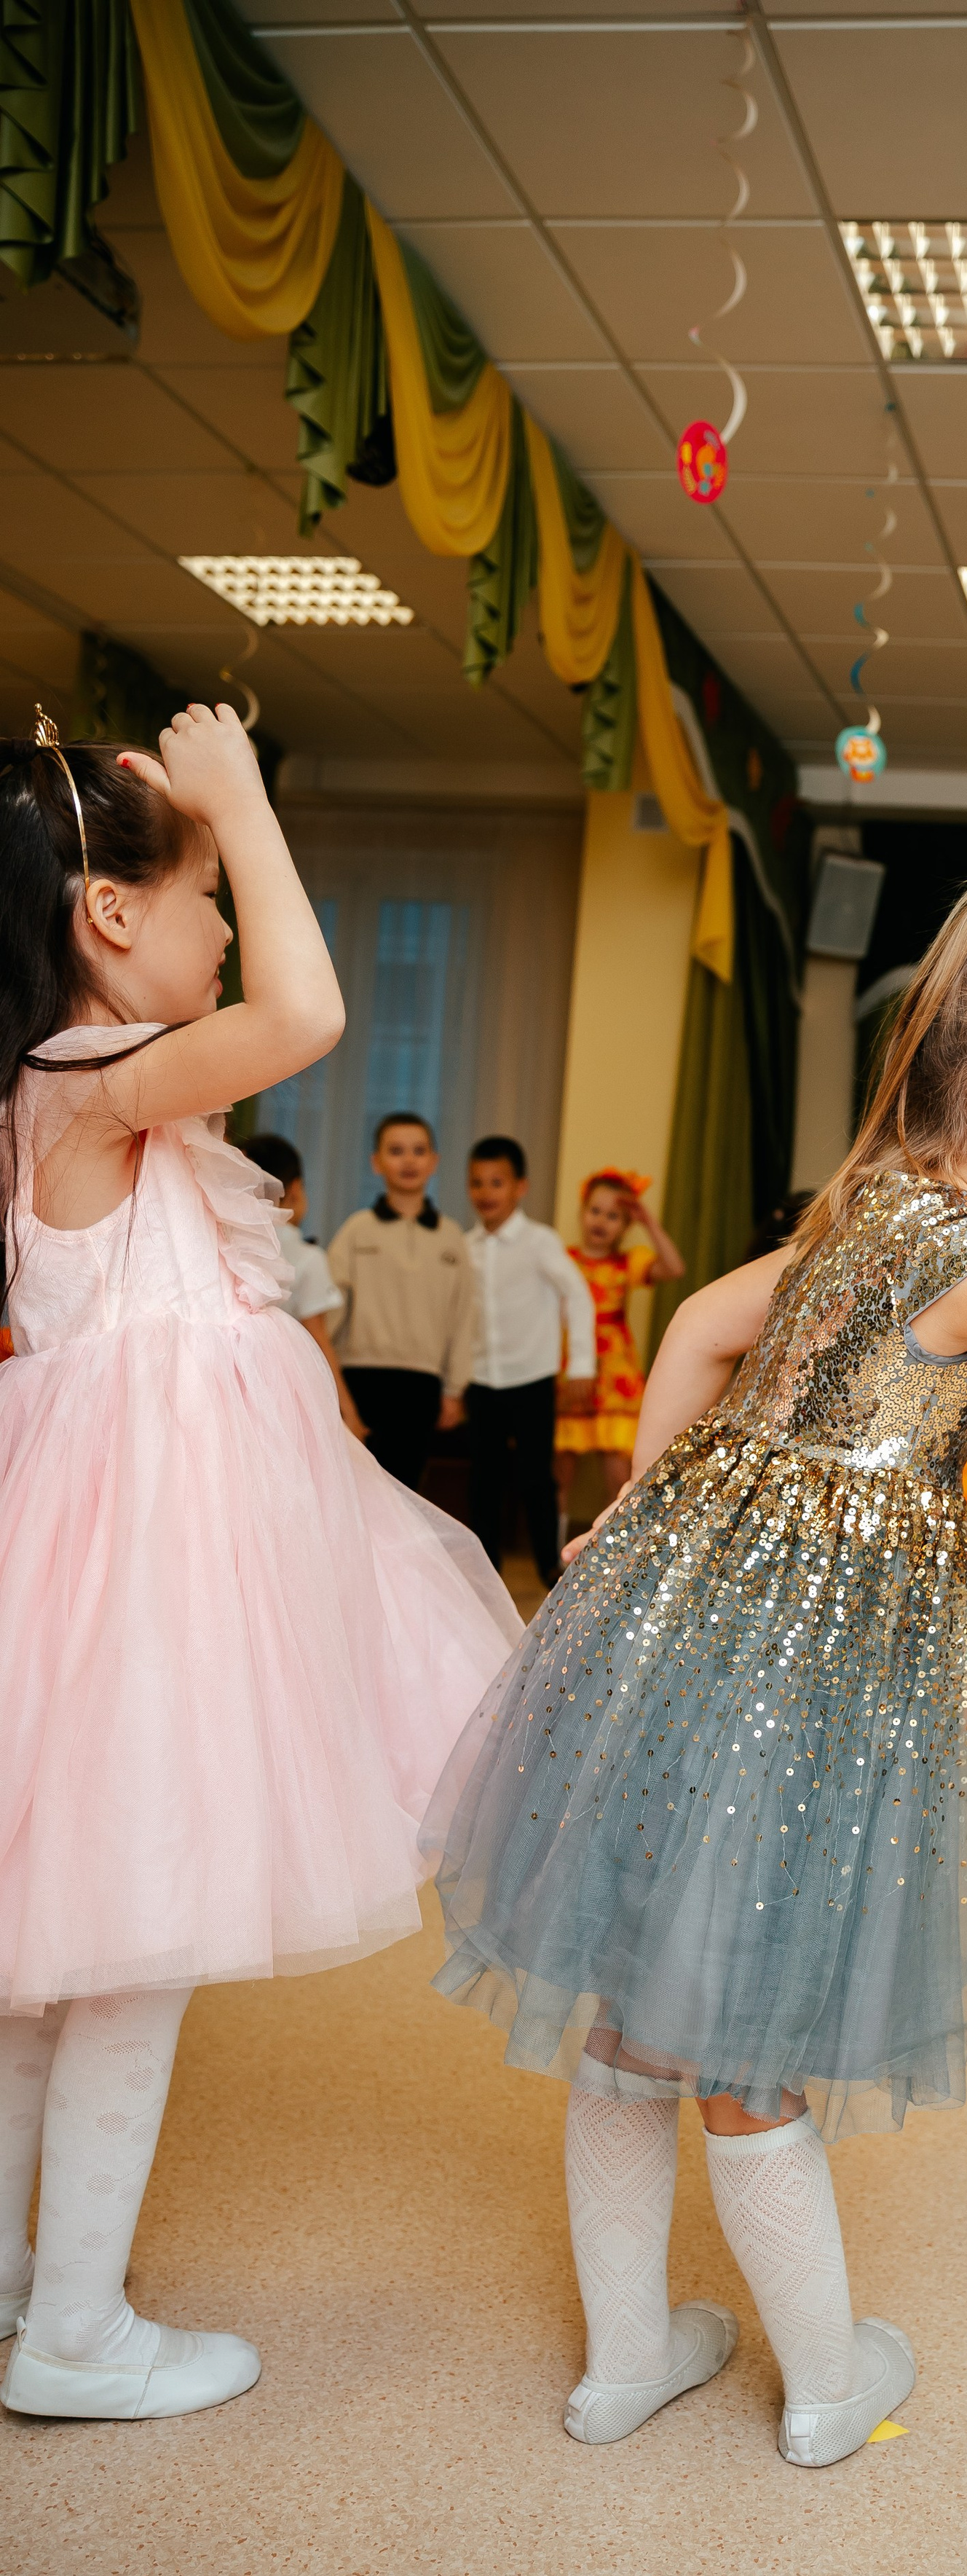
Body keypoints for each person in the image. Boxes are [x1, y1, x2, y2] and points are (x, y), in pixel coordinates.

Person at [423, 876, 967, 2465]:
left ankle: (623, 2362)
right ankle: (822, 2379)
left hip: (685, 1647)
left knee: (629, 2019)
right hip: (801, 1692)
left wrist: (636, 1525)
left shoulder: (862, 1211)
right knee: (746, 2038)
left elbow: (691, 1337)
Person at [0, 704, 519, 2423]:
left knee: (54, 1954)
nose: (227, 924)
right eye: (207, 892)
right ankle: (73, 2325)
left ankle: (27, 2287)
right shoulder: (80, 1078)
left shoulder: (84, 1096)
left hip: (137, 1545)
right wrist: (231, 797)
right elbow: (300, 1010)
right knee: (124, 1935)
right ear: (111, 914)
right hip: (140, 1561)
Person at [461, 1135, 596, 1592]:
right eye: (477, 1183)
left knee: (535, 1478)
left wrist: (581, 1364)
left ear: (520, 1187)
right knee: (484, 1480)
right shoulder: (466, 1247)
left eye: (497, 1182)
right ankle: (486, 1573)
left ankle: (548, 1568)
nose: (486, 1192)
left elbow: (577, 1294)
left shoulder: (540, 1241)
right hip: (481, 1380)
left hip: (531, 1379)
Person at [327, 1112, 475, 1492]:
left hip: (422, 1384)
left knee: (405, 1490)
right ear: (376, 1163)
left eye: (418, 1151)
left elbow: (463, 1317)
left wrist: (454, 1389)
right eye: (396, 1151)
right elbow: (330, 1310)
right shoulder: (357, 1230)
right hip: (360, 1378)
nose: (408, 1161)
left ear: (434, 1162)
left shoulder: (452, 1237)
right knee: (354, 1488)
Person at [554, 1167, 684, 1512]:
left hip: (616, 1376)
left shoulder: (628, 1262)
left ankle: (611, 1548)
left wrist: (649, 1223)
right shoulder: (563, 1260)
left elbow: (674, 1269)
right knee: (560, 1469)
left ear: (626, 1226)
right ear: (582, 1213)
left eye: (614, 1216)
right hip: (570, 1370)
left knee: (618, 1470)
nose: (601, 1221)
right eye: (595, 1211)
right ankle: (554, 1551)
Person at [237, 1128, 368, 1441]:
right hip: (287, 1388)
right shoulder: (309, 1258)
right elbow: (319, 1338)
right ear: (295, 1189)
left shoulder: (228, 1244)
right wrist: (349, 1413)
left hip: (236, 1383)